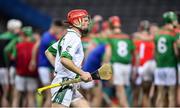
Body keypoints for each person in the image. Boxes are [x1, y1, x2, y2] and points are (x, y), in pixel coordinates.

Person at [45, 9, 92, 107]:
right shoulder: (73, 38)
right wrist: (82, 73)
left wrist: (58, 68)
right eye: (85, 20)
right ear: (76, 22)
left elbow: (48, 52)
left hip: (69, 83)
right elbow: (64, 60)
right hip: (64, 84)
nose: (88, 23)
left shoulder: (68, 36)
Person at [29, 19, 64, 107]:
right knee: (50, 95)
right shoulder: (48, 37)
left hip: (46, 67)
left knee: (49, 95)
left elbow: (36, 47)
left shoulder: (48, 36)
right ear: (55, 27)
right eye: (60, 29)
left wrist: (33, 60)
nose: (60, 31)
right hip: (44, 67)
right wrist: (33, 61)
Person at [106, 16, 135, 107]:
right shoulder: (127, 37)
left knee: (120, 90)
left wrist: (106, 66)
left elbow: (108, 54)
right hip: (127, 66)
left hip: (117, 65)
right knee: (122, 90)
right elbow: (135, 54)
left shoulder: (111, 37)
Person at [0, 19, 22, 107]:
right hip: (6, 69)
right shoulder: (14, 39)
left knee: (3, 93)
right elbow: (9, 54)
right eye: (18, 28)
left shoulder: (1, 37)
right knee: (6, 93)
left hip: (2, 68)